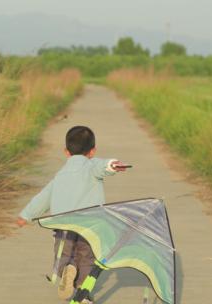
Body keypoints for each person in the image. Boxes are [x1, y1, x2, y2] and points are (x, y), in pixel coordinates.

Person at [17, 125, 127, 302]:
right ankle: (83, 294)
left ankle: (67, 269)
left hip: (63, 224)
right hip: (89, 225)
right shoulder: (92, 166)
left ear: (66, 152)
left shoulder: (60, 175)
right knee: (87, 257)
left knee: (63, 254)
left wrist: (26, 215)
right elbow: (103, 166)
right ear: (92, 151)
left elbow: (44, 197)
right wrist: (112, 165)